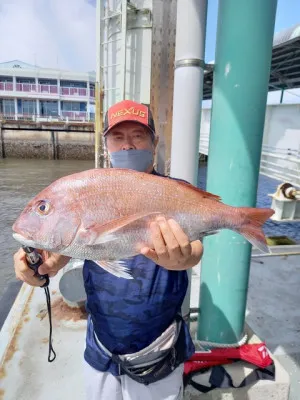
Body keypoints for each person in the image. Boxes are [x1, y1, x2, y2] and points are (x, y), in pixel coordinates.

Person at [13, 99, 203, 400]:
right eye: (118, 136)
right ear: (106, 145)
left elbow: (194, 248)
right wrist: (42, 263)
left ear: (154, 143)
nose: (127, 146)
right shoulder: (88, 189)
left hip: (160, 348)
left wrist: (184, 259)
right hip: (101, 347)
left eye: (137, 135)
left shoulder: (174, 190)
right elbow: (67, 248)